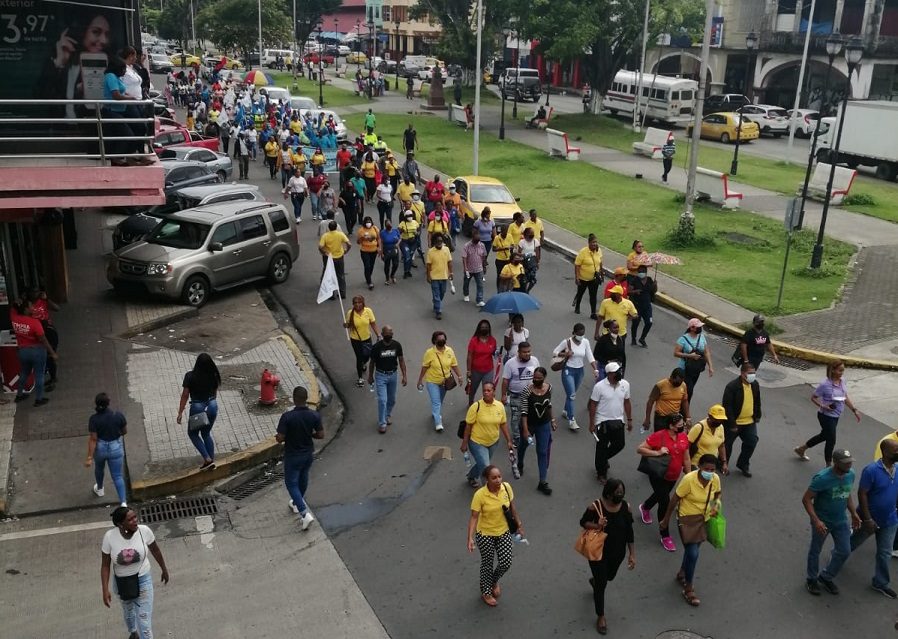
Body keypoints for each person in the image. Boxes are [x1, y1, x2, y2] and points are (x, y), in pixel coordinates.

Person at [659, 454, 722, 607]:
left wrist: (715, 512)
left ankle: (682, 572)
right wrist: (666, 520)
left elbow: (717, 495)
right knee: (693, 553)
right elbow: (675, 499)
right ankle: (688, 588)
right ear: (699, 466)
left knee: (692, 550)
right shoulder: (689, 479)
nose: (709, 472)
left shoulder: (715, 479)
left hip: (704, 519)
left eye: (712, 470)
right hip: (687, 519)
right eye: (706, 469)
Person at [101, 506, 169, 639]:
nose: (135, 520)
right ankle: (133, 632)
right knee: (128, 612)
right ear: (121, 524)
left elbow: (155, 550)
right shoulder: (109, 537)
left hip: (143, 580)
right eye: (130, 519)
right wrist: (105, 589)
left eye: (135, 517)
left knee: (144, 623)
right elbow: (105, 565)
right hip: (122, 583)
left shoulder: (145, 531)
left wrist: (164, 569)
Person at [579, 479, 636, 635]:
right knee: (602, 583)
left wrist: (632, 554)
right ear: (609, 494)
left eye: (622, 492)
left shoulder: (626, 507)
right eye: (618, 492)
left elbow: (629, 531)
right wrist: (597, 525)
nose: (621, 495)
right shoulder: (595, 506)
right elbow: (583, 522)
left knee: (609, 577)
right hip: (597, 552)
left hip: (617, 553)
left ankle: (596, 581)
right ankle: (601, 616)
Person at [803, 449, 860, 595]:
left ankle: (826, 577)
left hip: (841, 520)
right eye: (845, 463)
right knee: (815, 550)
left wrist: (853, 513)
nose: (849, 465)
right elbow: (806, 499)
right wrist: (816, 521)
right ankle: (811, 579)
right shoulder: (822, 478)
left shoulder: (850, 474)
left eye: (850, 462)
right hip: (823, 521)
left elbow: (847, 493)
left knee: (845, 550)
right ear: (835, 462)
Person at [466, 465, 523, 607]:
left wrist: (519, 525)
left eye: (499, 476)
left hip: (503, 532)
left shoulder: (506, 488)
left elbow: (512, 507)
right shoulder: (480, 495)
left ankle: (493, 581)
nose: (498, 480)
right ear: (487, 479)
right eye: (494, 478)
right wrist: (470, 538)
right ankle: (486, 592)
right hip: (485, 534)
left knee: (506, 562)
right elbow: (474, 517)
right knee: (487, 563)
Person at [850, 439, 898, 598]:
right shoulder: (871, 470)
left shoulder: (897, 469)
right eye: (896, 450)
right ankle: (836, 557)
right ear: (885, 452)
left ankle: (880, 583)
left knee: (885, 553)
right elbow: (862, 493)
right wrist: (868, 519)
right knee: (852, 543)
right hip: (870, 519)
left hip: (890, 520)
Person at [637, 413, 691, 552]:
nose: (682, 427)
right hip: (658, 475)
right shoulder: (659, 436)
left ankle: (645, 507)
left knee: (661, 494)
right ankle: (665, 534)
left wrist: (689, 475)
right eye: (679, 426)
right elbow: (640, 449)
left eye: (683, 425)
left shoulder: (683, 437)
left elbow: (686, 457)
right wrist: (657, 452)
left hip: (673, 476)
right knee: (665, 502)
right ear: (671, 426)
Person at [794, 360, 862, 465]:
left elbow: (845, 397)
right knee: (831, 440)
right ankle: (828, 465)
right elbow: (813, 398)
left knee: (824, 436)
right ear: (833, 370)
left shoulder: (842, 381)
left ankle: (801, 449)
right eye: (840, 370)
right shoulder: (825, 385)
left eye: (843, 370)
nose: (842, 373)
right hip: (825, 416)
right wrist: (824, 406)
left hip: (836, 415)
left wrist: (854, 410)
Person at [276, 386, 323, 531]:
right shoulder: (314, 415)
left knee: (291, 484)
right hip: (308, 454)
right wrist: (310, 434)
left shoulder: (287, 417)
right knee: (303, 478)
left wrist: (280, 437)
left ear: (294, 399)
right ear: (306, 398)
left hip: (293, 456)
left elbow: (280, 438)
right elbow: (321, 435)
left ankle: (304, 513)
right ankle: (296, 503)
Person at [588, 362, 633, 483]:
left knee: (619, 444)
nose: (619, 373)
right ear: (609, 374)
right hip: (602, 421)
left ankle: (602, 460)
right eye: (616, 372)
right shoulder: (599, 387)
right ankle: (601, 473)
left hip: (618, 421)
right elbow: (593, 404)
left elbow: (627, 402)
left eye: (619, 371)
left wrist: (629, 419)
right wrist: (592, 423)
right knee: (601, 447)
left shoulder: (625, 384)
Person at [461, 384, 512, 488]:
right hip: (477, 442)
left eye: (489, 390)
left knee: (482, 463)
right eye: (484, 390)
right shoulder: (476, 407)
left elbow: (503, 424)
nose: (486, 392)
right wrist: (464, 443)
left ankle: (471, 476)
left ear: (494, 392)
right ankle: (488, 490)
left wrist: (509, 440)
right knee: (486, 467)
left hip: (493, 442)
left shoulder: (499, 406)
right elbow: (468, 426)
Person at [176, 353, 221, 470]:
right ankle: (211, 462)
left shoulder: (190, 376)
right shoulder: (214, 375)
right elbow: (215, 392)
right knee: (206, 434)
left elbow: (185, 395)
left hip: (198, 408)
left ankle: (207, 459)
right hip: (212, 405)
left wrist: (180, 412)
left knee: (193, 434)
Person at [10, 298, 57, 406]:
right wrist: (52, 353)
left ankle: (19, 395)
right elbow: (43, 339)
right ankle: (39, 399)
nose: (33, 307)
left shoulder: (14, 318)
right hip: (37, 352)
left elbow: (13, 308)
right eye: (31, 306)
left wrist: (16, 303)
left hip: (23, 352)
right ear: (26, 309)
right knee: (39, 375)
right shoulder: (34, 323)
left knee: (24, 373)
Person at [553, 323, 598, 431]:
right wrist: (566, 354)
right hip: (568, 370)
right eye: (579, 334)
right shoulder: (566, 342)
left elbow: (590, 355)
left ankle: (566, 410)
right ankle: (571, 420)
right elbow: (555, 352)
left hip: (579, 371)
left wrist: (595, 369)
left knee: (571, 394)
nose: (581, 336)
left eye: (583, 334)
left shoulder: (585, 342)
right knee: (572, 395)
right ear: (574, 333)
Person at [501, 342, 540, 467]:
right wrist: (503, 395)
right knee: (516, 417)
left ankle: (527, 432)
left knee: (529, 416)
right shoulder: (510, 363)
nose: (527, 354)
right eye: (524, 352)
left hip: (531, 395)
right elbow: (505, 381)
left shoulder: (534, 361)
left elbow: (539, 377)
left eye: (529, 351)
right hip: (516, 396)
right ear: (518, 352)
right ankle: (517, 438)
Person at [86, 392, 128, 507]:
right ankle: (123, 502)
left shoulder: (93, 419)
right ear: (108, 403)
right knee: (117, 476)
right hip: (115, 448)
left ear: (96, 403)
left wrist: (89, 457)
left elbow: (93, 439)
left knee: (99, 468)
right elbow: (124, 431)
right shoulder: (118, 415)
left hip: (100, 449)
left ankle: (100, 489)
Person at [721, 362, 762, 478]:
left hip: (749, 422)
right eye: (750, 373)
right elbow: (727, 407)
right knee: (727, 445)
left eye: (754, 373)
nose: (752, 375)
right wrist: (732, 424)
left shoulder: (755, 385)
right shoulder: (732, 387)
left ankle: (743, 464)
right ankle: (723, 464)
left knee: (752, 441)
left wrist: (757, 415)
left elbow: (757, 401)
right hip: (734, 423)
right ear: (742, 373)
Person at [520, 367, 557, 495]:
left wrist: (552, 420)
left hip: (543, 425)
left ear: (544, 378)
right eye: (534, 377)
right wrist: (525, 430)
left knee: (542, 451)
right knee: (523, 446)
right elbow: (524, 412)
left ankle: (542, 481)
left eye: (539, 378)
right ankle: (520, 463)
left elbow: (549, 405)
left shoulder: (549, 388)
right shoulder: (527, 391)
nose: (536, 380)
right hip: (529, 424)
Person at [417, 330, 462, 432]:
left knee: (439, 401)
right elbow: (424, 367)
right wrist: (420, 380)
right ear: (434, 341)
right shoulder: (429, 353)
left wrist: (459, 376)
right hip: (432, 381)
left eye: (443, 339)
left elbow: (454, 364)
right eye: (439, 339)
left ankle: (435, 413)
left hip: (445, 382)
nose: (442, 341)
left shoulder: (450, 351)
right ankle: (438, 423)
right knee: (436, 402)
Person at [367, 326, 407, 434]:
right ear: (382, 334)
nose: (389, 335)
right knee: (382, 400)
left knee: (392, 400)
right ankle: (382, 424)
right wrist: (370, 376)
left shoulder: (397, 345)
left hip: (393, 375)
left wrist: (404, 376)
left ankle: (387, 415)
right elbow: (372, 363)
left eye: (390, 333)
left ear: (392, 335)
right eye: (387, 334)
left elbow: (401, 360)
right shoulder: (376, 347)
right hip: (381, 375)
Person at [674, 318, 714, 401]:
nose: (700, 328)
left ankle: (682, 406)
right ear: (692, 328)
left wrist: (710, 367)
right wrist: (690, 356)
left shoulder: (702, 337)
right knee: (688, 391)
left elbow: (706, 352)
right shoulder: (683, 339)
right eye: (698, 327)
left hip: (696, 370)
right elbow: (676, 353)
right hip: (685, 369)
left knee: (688, 391)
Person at [344, 295, 379, 387]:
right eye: (355, 303)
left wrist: (378, 334)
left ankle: (363, 363)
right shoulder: (350, 313)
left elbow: (373, 324)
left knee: (367, 356)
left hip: (367, 338)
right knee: (359, 358)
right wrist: (346, 325)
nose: (357, 304)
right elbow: (348, 325)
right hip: (355, 340)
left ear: (363, 303)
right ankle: (360, 378)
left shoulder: (368, 311)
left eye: (359, 302)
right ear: (353, 304)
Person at [595, 286, 637, 362]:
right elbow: (600, 317)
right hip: (607, 333)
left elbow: (635, 314)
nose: (611, 294)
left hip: (621, 334)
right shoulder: (605, 302)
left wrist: (630, 316)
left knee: (619, 354)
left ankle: (618, 367)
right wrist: (596, 332)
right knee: (604, 353)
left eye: (614, 293)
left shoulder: (628, 303)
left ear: (619, 295)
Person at [643, 368, 691, 434]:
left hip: (675, 418)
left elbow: (685, 401)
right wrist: (647, 419)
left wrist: (688, 417)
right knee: (660, 438)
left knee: (674, 438)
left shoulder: (683, 385)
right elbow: (650, 402)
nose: (678, 384)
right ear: (671, 377)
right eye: (676, 382)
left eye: (680, 382)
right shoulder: (660, 385)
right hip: (661, 419)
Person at [687, 405, 729, 473]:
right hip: (697, 464)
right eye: (716, 419)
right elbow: (687, 445)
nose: (718, 421)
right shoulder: (699, 427)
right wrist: (687, 463)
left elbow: (721, 446)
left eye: (721, 420)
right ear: (710, 416)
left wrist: (724, 462)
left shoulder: (721, 427)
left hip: (711, 465)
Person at [467, 319, 498, 405]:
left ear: (489, 328)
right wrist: (468, 370)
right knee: (472, 389)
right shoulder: (474, 340)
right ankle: (471, 403)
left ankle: (486, 405)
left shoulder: (493, 340)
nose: (484, 329)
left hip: (488, 370)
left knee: (487, 390)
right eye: (482, 327)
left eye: (486, 327)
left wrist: (497, 353)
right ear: (479, 329)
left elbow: (494, 353)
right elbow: (469, 356)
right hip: (475, 370)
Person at [573, 234, 604, 319]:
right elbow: (577, 265)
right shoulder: (583, 252)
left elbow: (600, 262)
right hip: (583, 278)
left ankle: (593, 313)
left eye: (596, 242)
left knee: (593, 296)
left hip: (594, 279)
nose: (595, 244)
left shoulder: (599, 250)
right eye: (593, 242)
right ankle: (577, 306)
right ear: (589, 243)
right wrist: (577, 277)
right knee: (580, 293)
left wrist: (602, 273)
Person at [318, 220, 351, 299]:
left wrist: (324, 252)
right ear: (336, 227)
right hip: (339, 257)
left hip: (329, 258)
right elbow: (349, 244)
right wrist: (346, 250)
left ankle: (331, 294)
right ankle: (342, 293)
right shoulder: (340, 234)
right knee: (341, 275)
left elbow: (320, 247)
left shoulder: (325, 236)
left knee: (330, 275)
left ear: (329, 228)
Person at [426, 233, 453, 320]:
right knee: (437, 294)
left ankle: (436, 302)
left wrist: (451, 272)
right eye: (438, 241)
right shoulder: (430, 251)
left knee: (442, 293)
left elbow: (449, 262)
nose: (439, 242)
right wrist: (428, 276)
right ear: (434, 242)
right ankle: (439, 311)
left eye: (441, 241)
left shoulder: (446, 250)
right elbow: (428, 265)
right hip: (434, 277)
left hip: (444, 276)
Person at [628, 265, 656, 347]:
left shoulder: (650, 280)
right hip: (637, 305)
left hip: (647, 306)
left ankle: (642, 338)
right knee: (636, 323)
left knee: (649, 323)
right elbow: (629, 291)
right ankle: (633, 339)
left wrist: (655, 285)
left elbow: (654, 291)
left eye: (642, 271)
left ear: (646, 272)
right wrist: (635, 291)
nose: (641, 273)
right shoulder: (635, 280)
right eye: (639, 271)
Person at [461, 227, 487, 306]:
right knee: (466, 283)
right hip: (469, 269)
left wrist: (484, 266)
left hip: (479, 269)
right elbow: (464, 257)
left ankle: (479, 300)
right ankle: (466, 294)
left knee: (480, 285)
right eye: (476, 240)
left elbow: (484, 256)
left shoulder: (482, 245)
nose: (477, 242)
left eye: (478, 240)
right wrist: (465, 268)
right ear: (472, 238)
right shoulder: (467, 246)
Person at [398, 208, 421, 279]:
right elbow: (398, 233)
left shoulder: (415, 222)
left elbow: (419, 230)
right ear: (405, 217)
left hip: (413, 242)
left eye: (411, 215)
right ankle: (405, 271)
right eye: (408, 216)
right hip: (405, 242)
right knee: (407, 256)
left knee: (410, 257)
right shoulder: (402, 223)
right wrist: (402, 231)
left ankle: (408, 271)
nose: (410, 217)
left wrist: (417, 233)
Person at [518, 227, 540, 292]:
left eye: (533, 234)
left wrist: (538, 262)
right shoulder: (522, 242)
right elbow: (519, 253)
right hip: (524, 262)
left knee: (532, 279)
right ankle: (523, 291)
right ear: (526, 234)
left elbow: (537, 253)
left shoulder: (535, 241)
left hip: (532, 263)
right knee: (524, 280)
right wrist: (521, 263)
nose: (532, 235)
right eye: (530, 233)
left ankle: (527, 291)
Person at [380, 219, 401, 285]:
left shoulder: (396, 231)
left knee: (396, 264)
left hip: (394, 250)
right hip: (386, 250)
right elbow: (381, 242)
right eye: (387, 224)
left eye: (390, 224)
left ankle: (392, 275)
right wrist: (381, 252)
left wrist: (397, 244)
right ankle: (387, 278)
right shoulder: (382, 233)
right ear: (385, 225)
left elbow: (400, 239)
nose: (389, 225)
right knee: (387, 265)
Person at [492, 225, 514, 292]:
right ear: (501, 231)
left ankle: (507, 289)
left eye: (506, 232)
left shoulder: (509, 236)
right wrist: (503, 248)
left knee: (508, 275)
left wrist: (510, 247)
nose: (505, 234)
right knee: (500, 276)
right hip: (499, 260)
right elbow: (494, 249)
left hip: (508, 259)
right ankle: (499, 290)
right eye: (504, 232)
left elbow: (512, 245)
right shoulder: (497, 238)